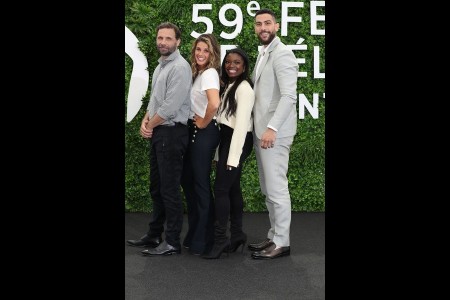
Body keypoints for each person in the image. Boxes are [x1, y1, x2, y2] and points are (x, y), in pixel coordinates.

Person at [126, 22, 191, 256]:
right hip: (159, 131)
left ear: (178, 41)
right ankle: (155, 236)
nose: (163, 42)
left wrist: (149, 127)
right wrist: (145, 120)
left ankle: (172, 242)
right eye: (160, 38)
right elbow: (155, 101)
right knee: (157, 187)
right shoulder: (161, 65)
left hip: (172, 133)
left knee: (169, 189)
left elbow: (170, 108)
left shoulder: (181, 68)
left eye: (168, 38)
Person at [248, 9, 299, 260]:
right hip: (263, 132)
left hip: (274, 134)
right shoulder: (265, 53)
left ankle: (282, 242)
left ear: (276, 26)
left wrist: (272, 128)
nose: (263, 27)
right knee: (268, 188)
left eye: (267, 23)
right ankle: (274, 236)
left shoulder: (283, 53)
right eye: (258, 24)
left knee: (277, 189)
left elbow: (289, 96)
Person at [202, 48, 255, 259]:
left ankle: (221, 239)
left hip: (238, 141)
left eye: (237, 63)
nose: (231, 66)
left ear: (244, 66)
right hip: (227, 139)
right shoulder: (230, 86)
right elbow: (223, 123)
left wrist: (232, 158)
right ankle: (238, 234)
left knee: (221, 189)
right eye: (228, 62)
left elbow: (241, 127)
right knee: (232, 188)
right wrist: (219, 155)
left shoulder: (245, 89)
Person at [180, 33, 221, 255]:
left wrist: (203, 123)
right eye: (198, 49)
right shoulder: (198, 73)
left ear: (213, 53)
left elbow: (214, 103)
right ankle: (195, 235)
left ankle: (205, 239)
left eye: (206, 50)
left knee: (201, 185)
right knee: (190, 183)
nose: (201, 54)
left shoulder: (210, 74)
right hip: (194, 132)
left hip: (203, 133)